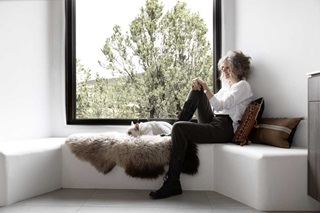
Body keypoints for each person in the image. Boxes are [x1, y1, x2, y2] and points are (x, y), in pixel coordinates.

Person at [149, 50, 253, 199]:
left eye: (227, 67)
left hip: (224, 128)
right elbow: (211, 106)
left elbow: (219, 105)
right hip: (214, 121)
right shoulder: (227, 87)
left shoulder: (242, 86)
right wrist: (200, 88)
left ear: (238, 67)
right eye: (222, 68)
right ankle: (174, 132)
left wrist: (206, 88)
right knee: (196, 91)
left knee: (180, 127)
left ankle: (172, 182)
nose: (224, 71)